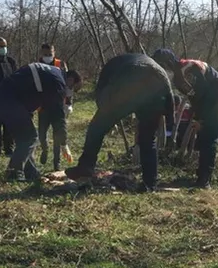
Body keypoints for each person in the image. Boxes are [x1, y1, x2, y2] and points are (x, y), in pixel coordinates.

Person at [65, 53, 174, 192]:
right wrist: (171, 121)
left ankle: (85, 167)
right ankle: (149, 184)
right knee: (148, 139)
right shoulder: (158, 69)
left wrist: (105, 117)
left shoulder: (111, 68)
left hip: (128, 80)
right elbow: (168, 92)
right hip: (155, 91)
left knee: (96, 128)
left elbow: (101, 95)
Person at [153, 48, 218, 188]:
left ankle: (204, 181)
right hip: (210, 101)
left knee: (208, 137)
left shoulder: (188, 69)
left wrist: (202, 119)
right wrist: (196, 116)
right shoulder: (178, 79)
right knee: (204, 137)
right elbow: (194, 98)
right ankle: (202, 177)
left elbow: (204, 95)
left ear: (168, 64)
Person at [0, 63, 82, 182]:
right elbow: (58, 117)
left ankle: (30, 172)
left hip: (2, 97)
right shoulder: (58, 83)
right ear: (70, 80)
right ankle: (13, 173)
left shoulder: (52, 73)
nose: (71, 93)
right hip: (9, 100)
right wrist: (64, 143)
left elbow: (32, 91)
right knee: (30, 137)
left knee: (24, 138)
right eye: (74, 88)